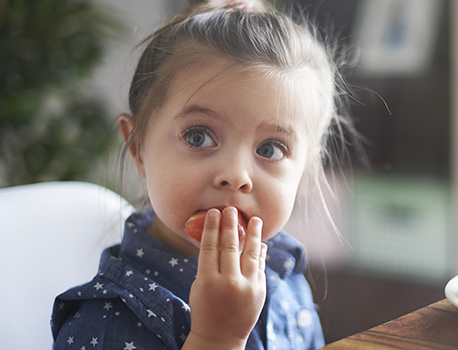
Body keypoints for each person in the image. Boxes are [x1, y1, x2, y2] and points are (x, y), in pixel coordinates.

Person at [51, 0, 357, 349]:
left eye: (270, 149)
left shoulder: (284, 271)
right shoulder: (106, 324)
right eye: (198, 137)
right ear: (137, 147)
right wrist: (216, 337)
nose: (236, 175)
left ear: (304, 168)